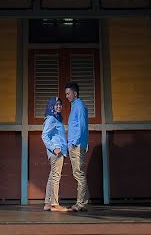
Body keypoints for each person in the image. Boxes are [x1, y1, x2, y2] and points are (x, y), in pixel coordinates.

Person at [41, 97, 69, 212]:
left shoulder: (57, 119)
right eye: (56, 104)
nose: (58, 106)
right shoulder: (51, 118)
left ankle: (48, 203)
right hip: (56, 152)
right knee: (56, 177)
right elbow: (44, 135)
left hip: (58, 151)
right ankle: (55, 203)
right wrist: (54, 148)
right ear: (51, 106)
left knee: (52, 176)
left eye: (60, 104)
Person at [65, 81, 89, 211]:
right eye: (66, 94)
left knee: (78, 173)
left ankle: (81, 203)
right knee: (78, 173)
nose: (67, 96)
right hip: (75, 144)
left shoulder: (79, 106)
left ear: (75, 93)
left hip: (77, 145)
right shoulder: (75, 105)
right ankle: (83, 202)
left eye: (68, 93)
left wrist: (74, 142)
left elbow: (82, 126)